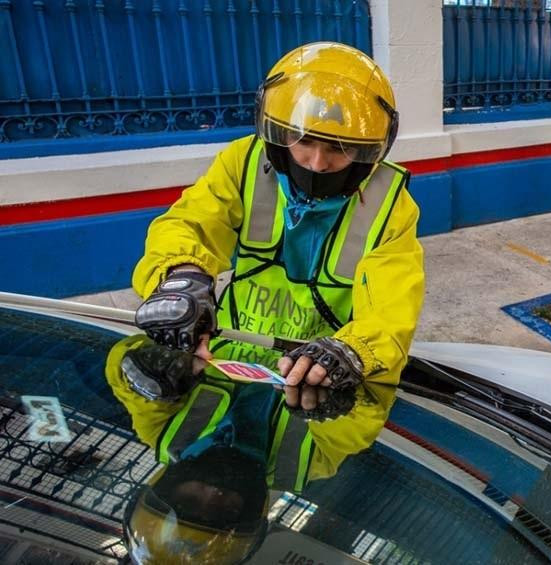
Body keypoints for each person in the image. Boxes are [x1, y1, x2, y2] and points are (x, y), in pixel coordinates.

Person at [131, 41, 424, 391]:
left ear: (366, 152)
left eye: (338, 149)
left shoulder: (389, 202)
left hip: (322, 375)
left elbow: (393, 306)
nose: (317, 163)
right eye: (303, 141)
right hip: (223, 356)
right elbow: (189, 224)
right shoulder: (244, 164)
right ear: (279, 134)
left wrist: (355, 350)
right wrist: (182, 280)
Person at [106, 334, 396, 563]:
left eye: (190, 500)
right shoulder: (310, 463)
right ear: (251, 513)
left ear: (165, 488)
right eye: (224, 509)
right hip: (336, 321)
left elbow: (123, 368)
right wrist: (339, 391)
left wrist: (146, 365)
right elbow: (364, 416)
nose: (213, 493)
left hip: (236, 293)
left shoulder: (160, 431)